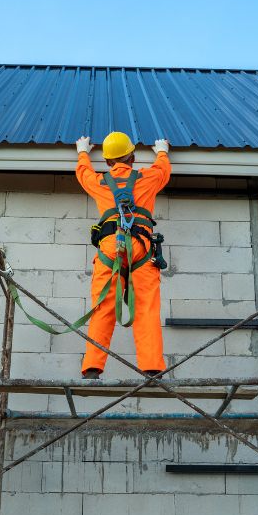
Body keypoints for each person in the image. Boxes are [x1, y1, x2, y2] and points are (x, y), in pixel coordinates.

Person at [75, 131, 171, 379]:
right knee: (146, 307)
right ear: (133, 156)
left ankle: (92, 368)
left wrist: (83, 152)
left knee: (103, 306)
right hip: (142, 246)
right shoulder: (147, 178)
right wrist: (162, 150)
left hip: (111, 247)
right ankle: (152, 367)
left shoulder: (100, 182)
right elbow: (163, 169)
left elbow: (83, 174)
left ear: (107, 161)